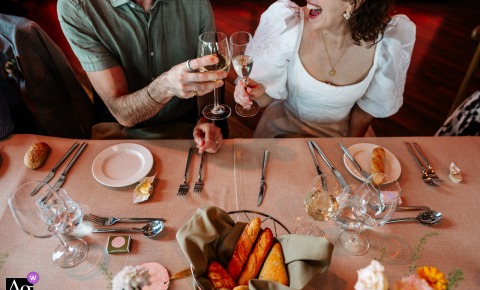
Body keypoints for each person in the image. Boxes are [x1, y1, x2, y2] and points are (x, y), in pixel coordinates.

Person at [57, 0, 225, 153]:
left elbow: (209, 71)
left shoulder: (198, 4)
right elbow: (122, 112)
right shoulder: (76, 7)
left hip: (185, 124)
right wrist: (166, 85)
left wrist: (204, 119)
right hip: (118, 130)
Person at [234, 0, 416, 138]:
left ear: (356, 2)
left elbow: (366, 111)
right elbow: (266, 97)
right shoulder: (288, 25)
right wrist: (253, 93)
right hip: (284, 131)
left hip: (344, 135)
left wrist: (348, 149)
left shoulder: (387, 41)